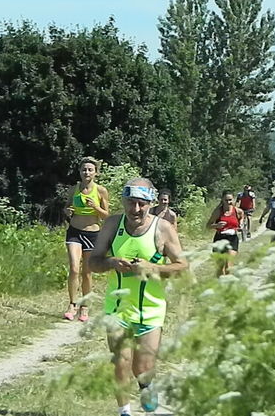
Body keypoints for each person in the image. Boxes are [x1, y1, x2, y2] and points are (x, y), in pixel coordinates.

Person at [89, 178, 187, 416]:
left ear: (150, 203)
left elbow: (182, 266)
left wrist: (152, 269)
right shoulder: (113, 224)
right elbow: (93, 262)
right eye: (130, 203)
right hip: (118, 307)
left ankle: (147, 387)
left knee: (143, 368)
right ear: (123, 201)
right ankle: (124, 411)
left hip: (151, 310)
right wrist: (111, 262)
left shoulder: (163, 228)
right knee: (121, 362)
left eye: (141, 204)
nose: (135, 209)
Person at [63, 157, 109, 322]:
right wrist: (68, 211)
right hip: (74, 231)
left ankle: (85, 306)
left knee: (87, 272)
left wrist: (95, 207)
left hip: (92, 234)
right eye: (84, 170)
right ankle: (72, 304)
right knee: (74, 268)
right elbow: (67, 207)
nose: (86, 173)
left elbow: (106, 215)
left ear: (96, 172)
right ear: (80, 172)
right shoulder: (74, 189)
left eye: (90, 170)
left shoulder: (101, 191)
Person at [206, 191, 244, 275]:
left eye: (230, 200)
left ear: (233, 200)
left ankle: (228, 285)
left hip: (232, 239)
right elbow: (208, 225)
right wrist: (216, 225)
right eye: (226, 200)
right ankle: (220, 286)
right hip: (220, 239)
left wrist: (241, 225)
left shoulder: (237, 211)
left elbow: (241, 217)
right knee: (220, 268)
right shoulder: (218, 212)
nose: (228, 202)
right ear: (222, 200)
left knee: (228, 267)